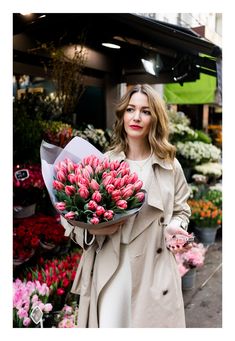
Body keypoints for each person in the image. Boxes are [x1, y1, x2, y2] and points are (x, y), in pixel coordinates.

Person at [61, 84, 191, 328]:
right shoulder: (103, 163)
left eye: (146, 111)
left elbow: (182, 209)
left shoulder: (170, 165)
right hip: (113, 266)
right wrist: (92, 231)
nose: (137, 117)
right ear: (122, 115)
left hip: (155, 269)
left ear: (155, 118)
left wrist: (175, 225)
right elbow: (71, 216)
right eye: (131, 109)